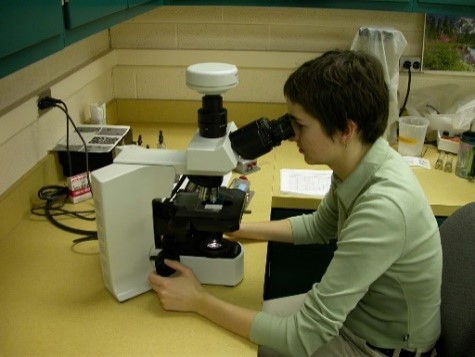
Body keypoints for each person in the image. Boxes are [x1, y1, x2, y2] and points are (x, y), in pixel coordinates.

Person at [148, 50, 442, 357]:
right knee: (242, 320)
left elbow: (301, 337)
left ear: (345, 129)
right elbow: (320, 226)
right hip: (356, 318)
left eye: (300, 125)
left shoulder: (383, 208)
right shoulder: (360, 162)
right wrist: (238, 228)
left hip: (380, 348)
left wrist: (199, 301)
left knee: (224, 342)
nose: (291, 136)